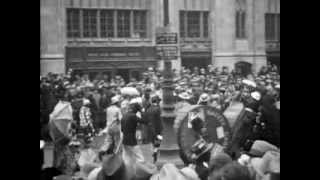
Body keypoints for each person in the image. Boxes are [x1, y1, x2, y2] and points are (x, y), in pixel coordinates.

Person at [121, 101, 149, 165]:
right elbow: (145, 121)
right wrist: (142, 111)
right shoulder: (133, 116)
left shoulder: (124, 115)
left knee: (126, 158)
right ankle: (142, 170)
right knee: (140, 157)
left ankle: (126, 171)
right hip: (131, 140)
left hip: (124, 139)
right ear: (136, 110)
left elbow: (122, 129)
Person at [142, 95, 163, 163]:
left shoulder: (148, 109)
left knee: (154, 142)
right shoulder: (158, 109)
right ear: (157, 101)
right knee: (158, 142)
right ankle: (155, 153)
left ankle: (155, 153)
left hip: (150, 129)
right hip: (157, 128)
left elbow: (145, 119)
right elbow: (160, 120)